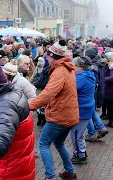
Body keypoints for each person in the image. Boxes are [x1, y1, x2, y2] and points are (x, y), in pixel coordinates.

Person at [29, 40, 78, 180]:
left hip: (60, 116)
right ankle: (70, 172)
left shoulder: (59, 71)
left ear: (53, 56)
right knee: (59, 143)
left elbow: (48, 93)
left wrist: (30, 106)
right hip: (69, 115)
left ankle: (50, 176)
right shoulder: (67, 69)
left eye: (48, 56)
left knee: (43, 143)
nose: (46, 58)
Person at [70, 56, 96, 164]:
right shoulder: (89, 75)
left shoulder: (81, 78)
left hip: (82, 108)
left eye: (74, 66)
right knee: (79, 133)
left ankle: (80, 155)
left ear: (81, 67)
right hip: (87, 107)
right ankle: (82, 152)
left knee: (76, 133)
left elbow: (70, 89)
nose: (72, 68)